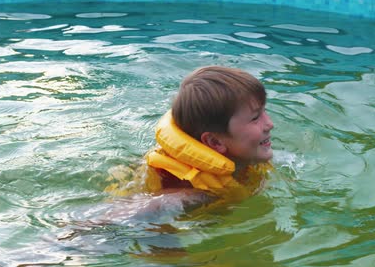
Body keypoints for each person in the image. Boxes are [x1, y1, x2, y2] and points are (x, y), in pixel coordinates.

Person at [105, 65, 274, 210]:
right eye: (255, 118)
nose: (270, 124)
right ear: (215, 142)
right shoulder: (189, 192)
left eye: (264, 111)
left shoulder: (243, 156)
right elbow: (134, 213)